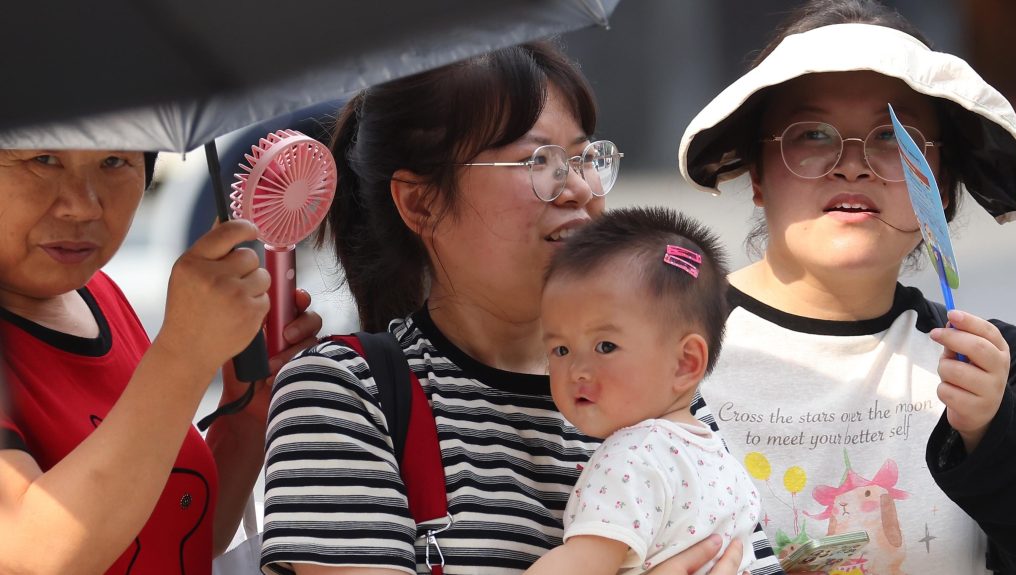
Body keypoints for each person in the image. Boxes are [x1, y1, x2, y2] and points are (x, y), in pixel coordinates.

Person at [262, 41, 777, 575]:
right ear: (422, 202)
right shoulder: (346, 397)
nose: (579, 188)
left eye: (585, 158)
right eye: (540, 161)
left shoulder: (651, 384)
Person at [677, 1, 1016, 573]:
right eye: (812, 134)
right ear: (758, 174)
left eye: (894, 138)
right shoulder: (664, 341)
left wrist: (992, 435)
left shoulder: (992, 367)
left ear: (940, 184)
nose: (853, 165)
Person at [0, 149, 322, 574]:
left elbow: (174, 532)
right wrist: (182, 354)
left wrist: (247, 413)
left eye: (114, 161)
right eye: (42, 159)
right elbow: (31, 557)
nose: (83, 204)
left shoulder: (98, 293)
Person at [525, 206, 761, 575]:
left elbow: (579, 565)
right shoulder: (724, 464)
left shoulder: (631, 457)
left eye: (605, 346)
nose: (577, 371)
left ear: (685, 362)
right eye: (560, 350)